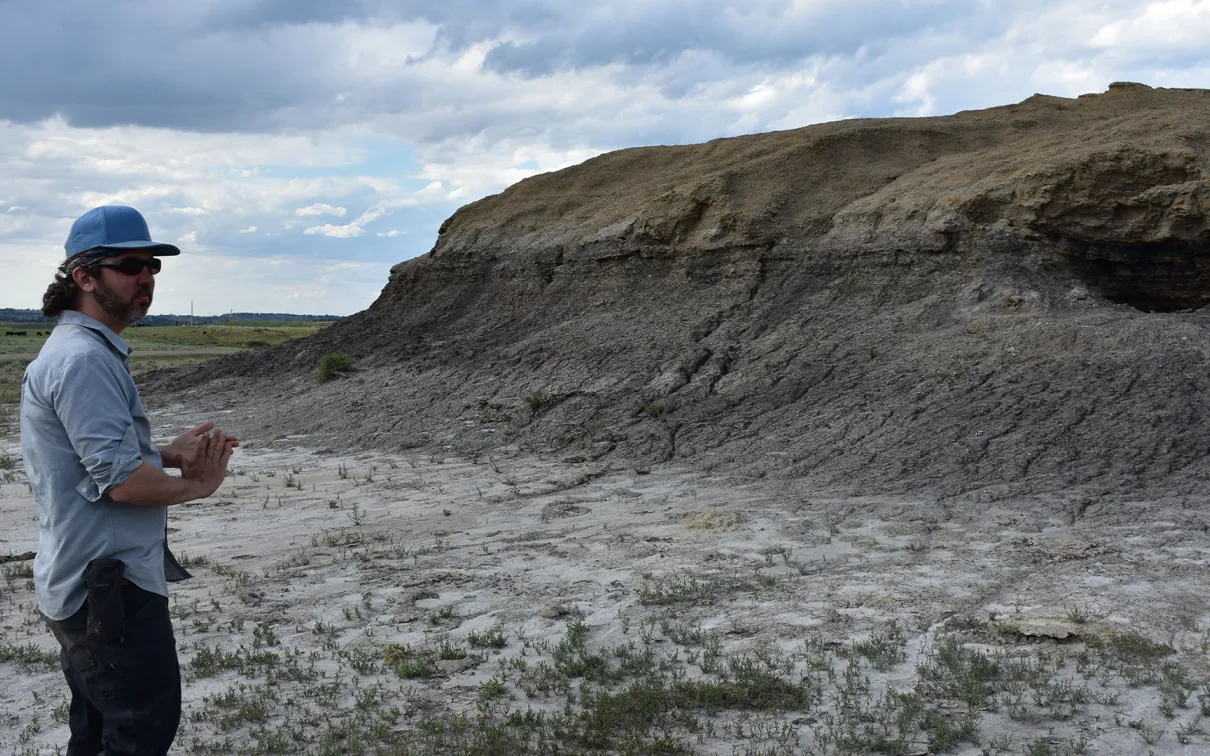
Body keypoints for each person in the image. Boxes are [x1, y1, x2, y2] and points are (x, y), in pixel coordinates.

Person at [20, 205, 238, 755]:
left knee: (97, 734)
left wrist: (163, 453)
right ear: (85, 277)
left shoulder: (83, 352)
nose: (145, 278)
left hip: (89, 582)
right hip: (109, 592)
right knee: (138, 732)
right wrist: (200, 484)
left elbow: (82, 460)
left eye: (153, 267)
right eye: (130, 265)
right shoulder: (83, 361)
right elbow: (124, 486)